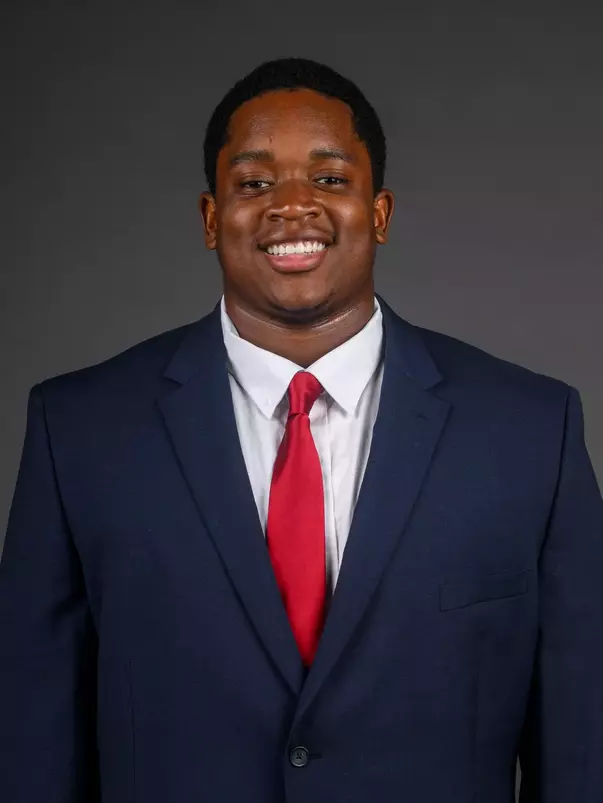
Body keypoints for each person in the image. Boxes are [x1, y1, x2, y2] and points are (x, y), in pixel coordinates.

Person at [0, 57, 602, 803]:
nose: (291, 206)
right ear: (210, 216)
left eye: (328, 179)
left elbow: (580, 750)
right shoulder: (80, 431)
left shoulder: (529, 432)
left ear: (377, 212)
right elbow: (31, 743)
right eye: (254, 183)